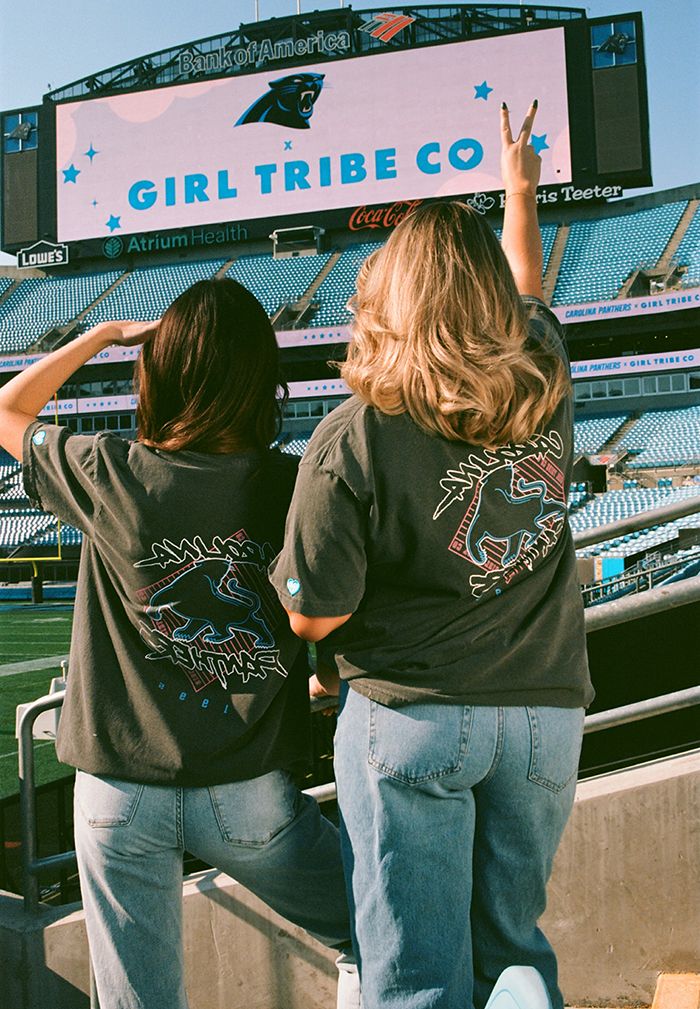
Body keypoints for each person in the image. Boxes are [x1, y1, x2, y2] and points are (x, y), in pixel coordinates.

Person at [269, 102, 594, 1009]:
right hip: (543, 717)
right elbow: (529, 286)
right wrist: (519, 190)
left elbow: (314, 613)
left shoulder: (352, 437)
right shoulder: (545, 373)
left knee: (415, 971)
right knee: (514, 950)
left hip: (413, 718)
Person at [0, 278, 351, 1009]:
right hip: (245, 788)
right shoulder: (296, 483)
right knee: (384, 934)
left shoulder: (110, 468)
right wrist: (324, 683)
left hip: (115, 788)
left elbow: (7, 410)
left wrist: (100, 338)